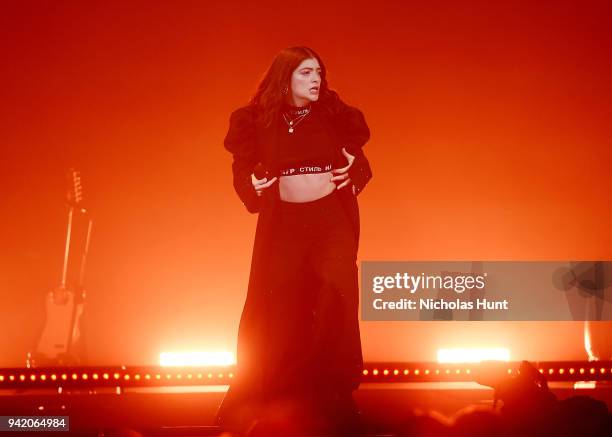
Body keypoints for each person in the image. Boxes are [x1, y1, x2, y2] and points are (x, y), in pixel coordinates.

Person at [216, 46, 373, 435]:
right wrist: (250, 181)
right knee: (278, 300)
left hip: (329, 222)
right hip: (284, 223)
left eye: (318, 71)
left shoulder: (333, 114)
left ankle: (334, 391)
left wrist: (356, 168)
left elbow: (359, 159)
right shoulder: (255, 120)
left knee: (335, 293)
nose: (315, 79)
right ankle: (269, 391)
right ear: (285, 78)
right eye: (305, 73)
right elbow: (243, 169)